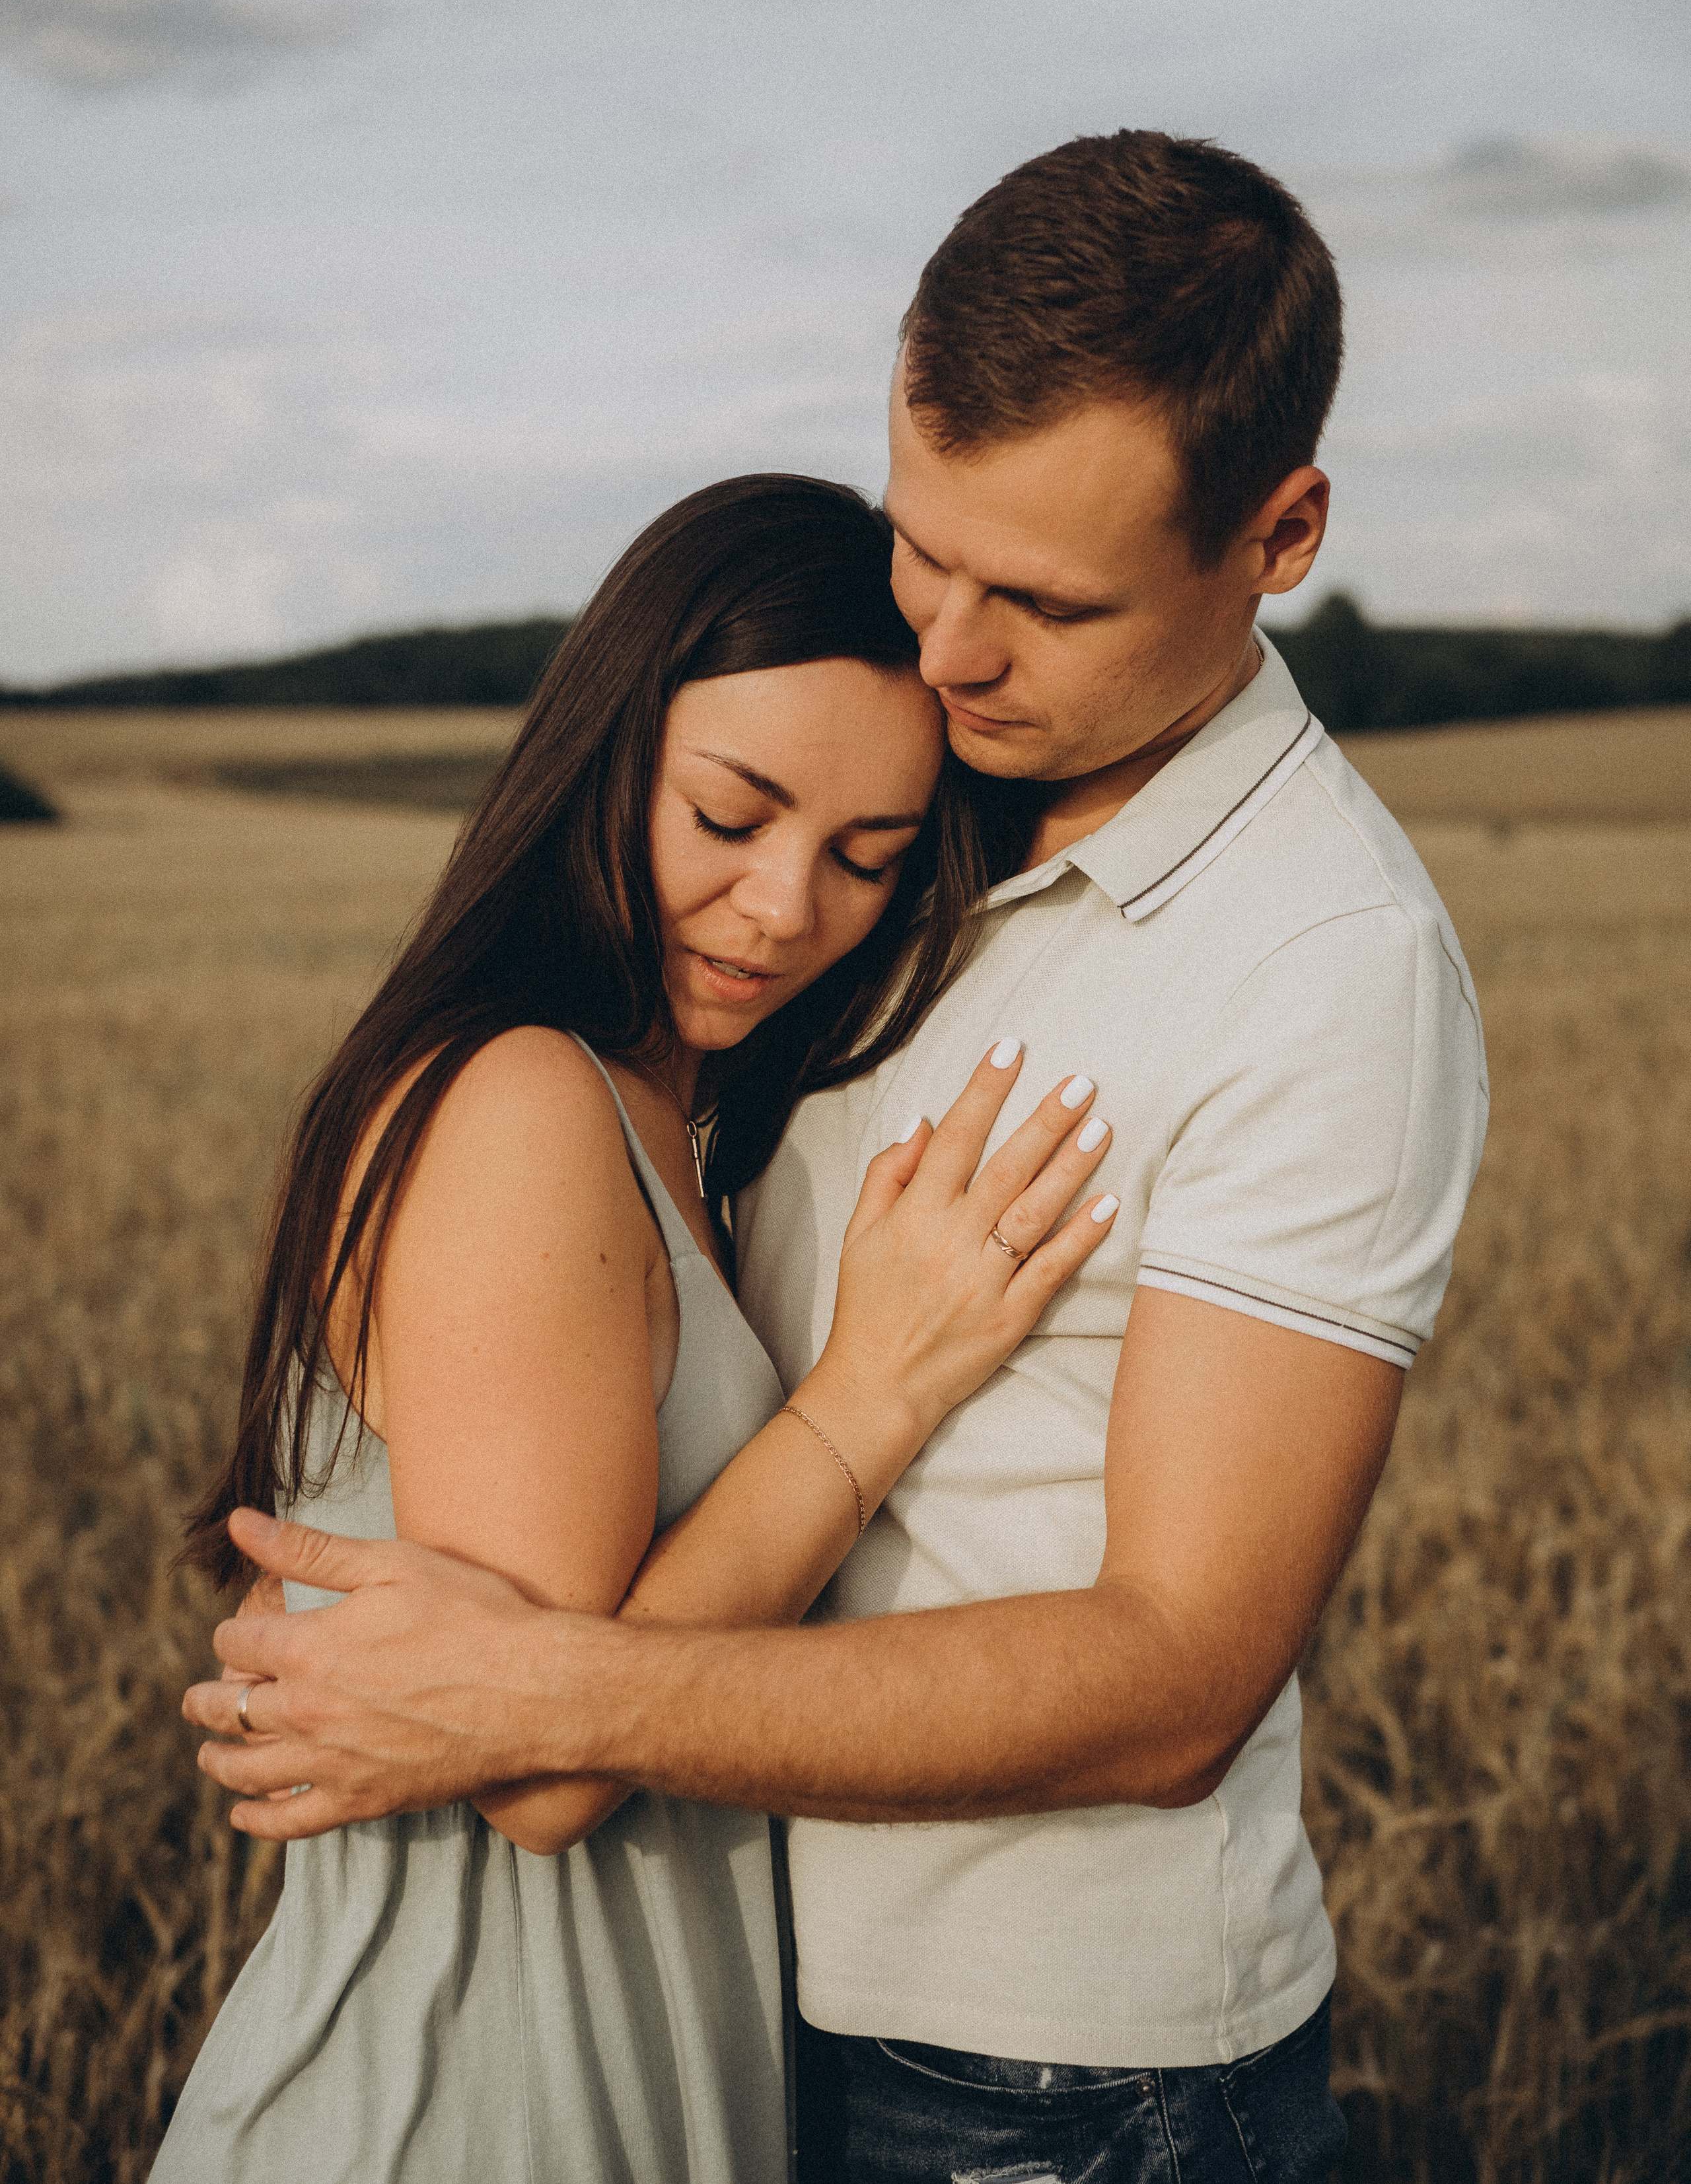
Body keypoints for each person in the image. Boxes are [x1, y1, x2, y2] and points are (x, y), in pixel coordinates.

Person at [190, 133, 1490, 2182]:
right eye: (922, 546)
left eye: (1043, 599)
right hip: (742, 2010)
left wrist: (537, 1694)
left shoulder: (1325, 965)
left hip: (1054, 2091)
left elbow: (1179, 1678)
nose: (951, 652)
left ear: (1283, 530)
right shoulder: (936, 828)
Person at [156, 472, 1122, 2184]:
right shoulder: (528, 1101)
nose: (781, 909)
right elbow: (541, 1772)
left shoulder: (671, 1118)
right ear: (609, 753)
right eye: (730, 814)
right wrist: (871, 1390)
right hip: (465, 2109)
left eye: (865, 861)